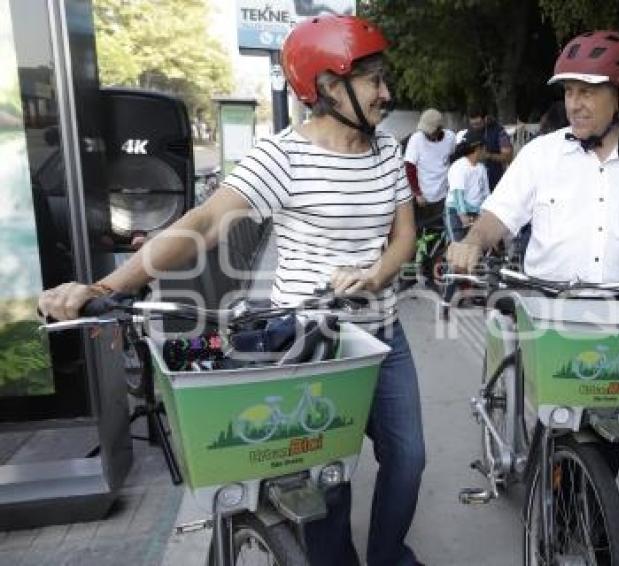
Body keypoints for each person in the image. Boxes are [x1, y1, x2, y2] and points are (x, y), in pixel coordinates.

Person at [38, 15, 425, 566]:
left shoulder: (387, 151)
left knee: (409, 460)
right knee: (326, 478)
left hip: (385, 333)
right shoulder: (282, 157)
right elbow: (202, 224)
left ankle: (390, 557)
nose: (387, 93)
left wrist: (377, 277)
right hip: (311, 342)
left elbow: (403, 236)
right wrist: (106, 285)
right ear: (328, 87)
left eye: (384, 79)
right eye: (372, 81)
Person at [447, 30, 619, 472]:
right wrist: (473, 241)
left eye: (589, 92)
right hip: (550, 316)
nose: (574, 103)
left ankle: (590, 514)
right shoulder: (541, 155)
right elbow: (498, 216)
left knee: (610, 435)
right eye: (570, 91)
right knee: (550, 424)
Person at [440, 127, 489, 318]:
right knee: (459, 258)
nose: (486, 151)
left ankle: (479, 297)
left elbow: (486, 194)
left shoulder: (481, 169)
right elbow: (458, 194)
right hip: (456, 214)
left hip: (475, 215)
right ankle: (445, 302)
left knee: (478, 257)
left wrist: (486, 214)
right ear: (478, 148)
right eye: (484, 148)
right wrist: (462, 216)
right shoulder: (459, 167)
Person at [404, 108, 456, 227]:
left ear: (439, 129)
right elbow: (409, 167)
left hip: (443, 194)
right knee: (422, 229)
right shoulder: (416, 139)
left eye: (430, 132)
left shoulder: (450, 137)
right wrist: (417, 193)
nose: (426, 134)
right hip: (423, 196)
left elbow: (453, 159)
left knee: (440, 228)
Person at [463, 104, 513, 190]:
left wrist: (489, 155)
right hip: (475, 185)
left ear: (485, 119)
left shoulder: (499, 132)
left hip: (495, 182)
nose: (475, 127)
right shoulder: (469, 132)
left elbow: (508, 157)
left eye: (478, 124)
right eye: (473, 124)